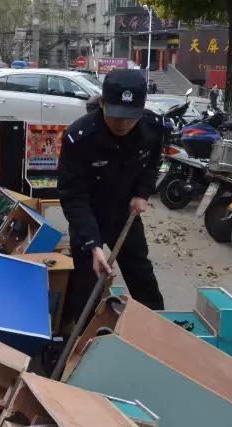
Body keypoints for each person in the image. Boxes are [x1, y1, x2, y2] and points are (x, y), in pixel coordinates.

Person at [58, 69, 165, 325]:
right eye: (116, 116)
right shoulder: (79, 137)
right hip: (88, 214)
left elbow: (152, 163)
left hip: (123, 214)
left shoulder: (152, 128)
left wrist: (142, 193)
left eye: (130, 118)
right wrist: (93, 244)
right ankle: (84, 338)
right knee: (87, 279)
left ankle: (158, 329)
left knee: (141, 272)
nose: (123, 125)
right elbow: (73, 195)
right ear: (103, 103)